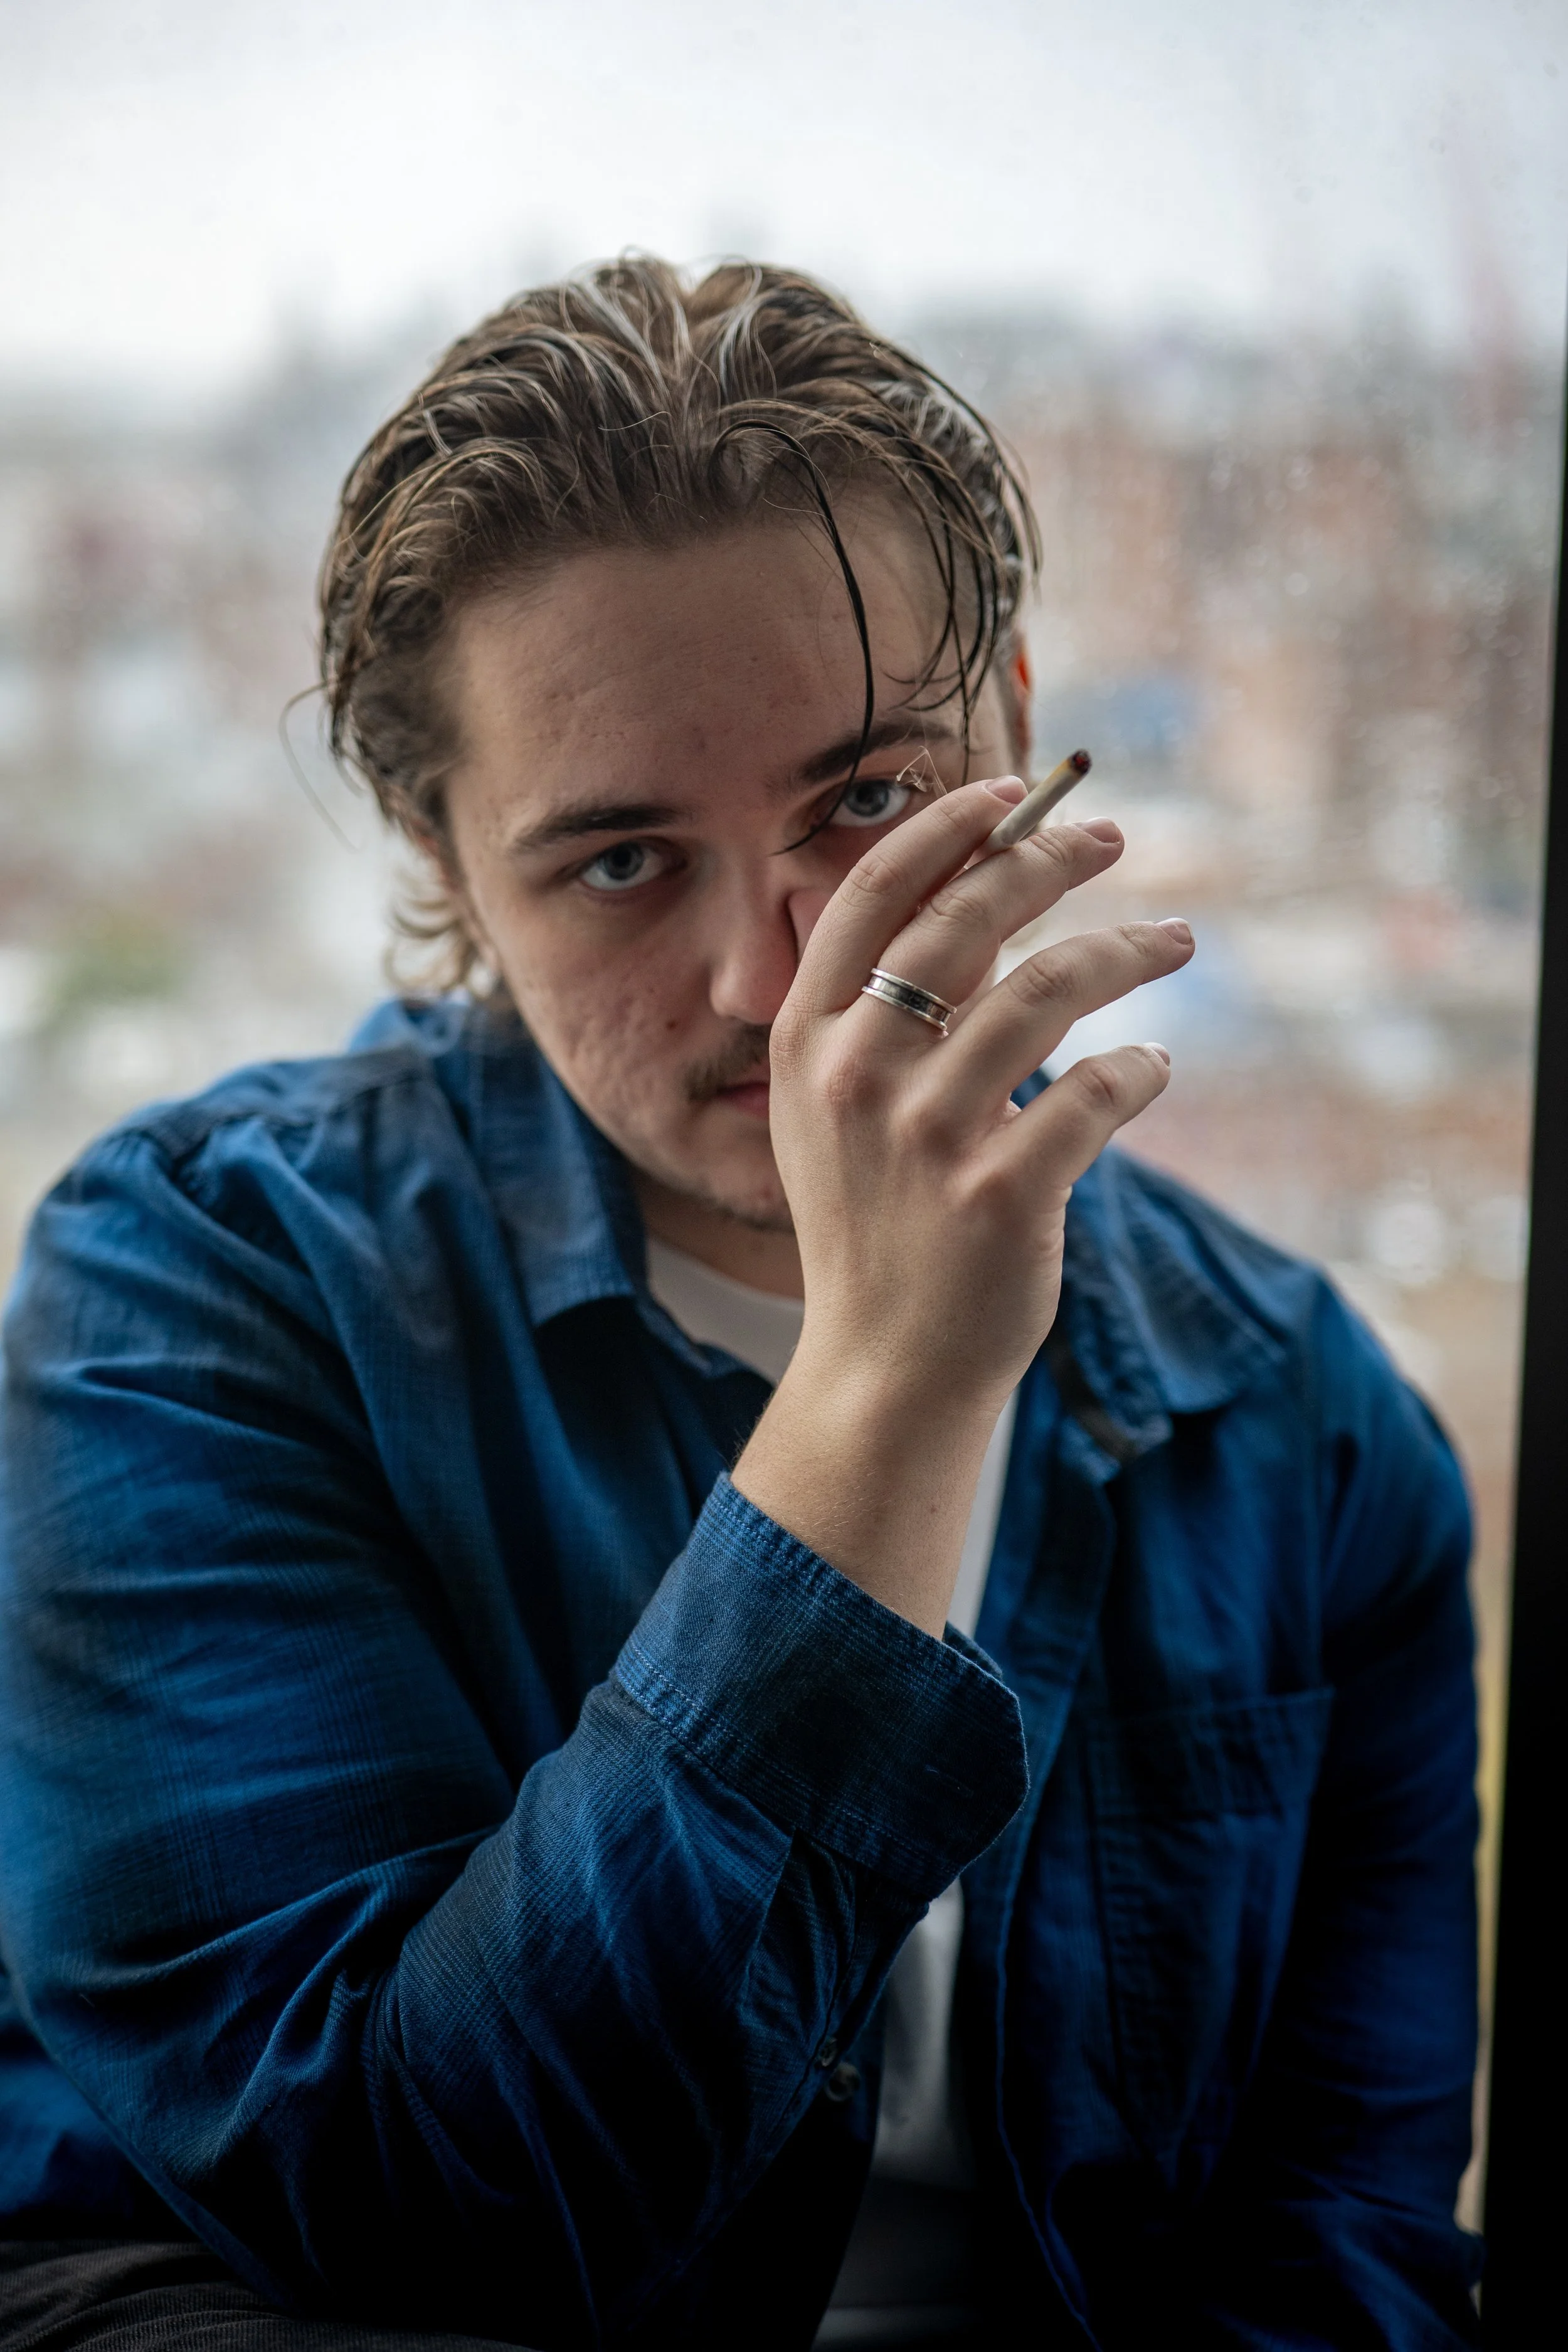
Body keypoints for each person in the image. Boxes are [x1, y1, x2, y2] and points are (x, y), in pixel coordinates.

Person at [0, 260, 1482, 2351]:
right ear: (444, 860)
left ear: (1015, 733)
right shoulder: (195, 1292)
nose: (780, 984)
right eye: (620, 863)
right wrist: (880, 1399)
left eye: (869, 804)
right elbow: (414, 2216)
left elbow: (1341, 2241)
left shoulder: (1306, 1427)